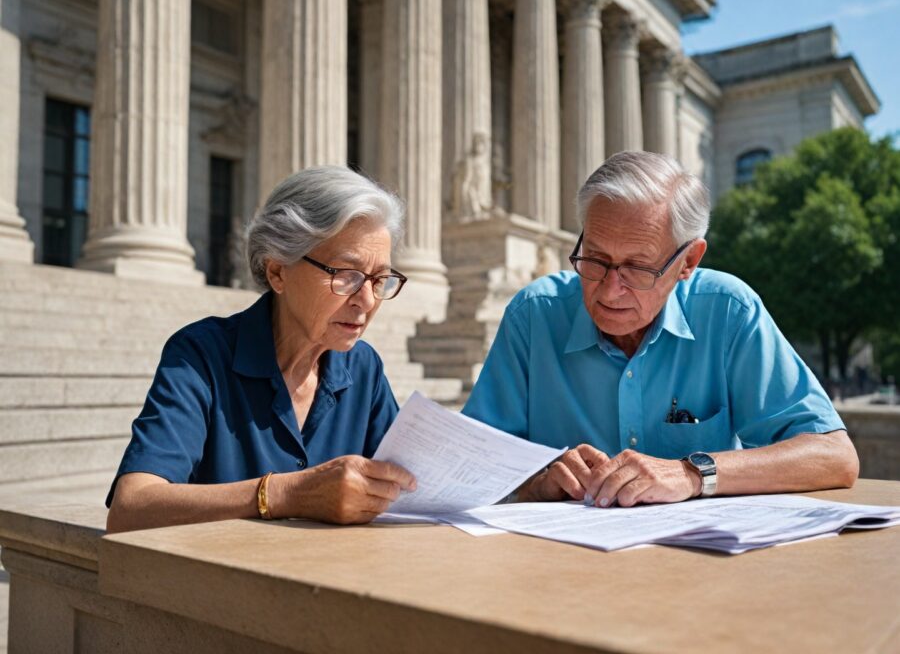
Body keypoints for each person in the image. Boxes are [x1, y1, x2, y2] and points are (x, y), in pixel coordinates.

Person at [463, 151, 859, 508]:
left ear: (688, 261)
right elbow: (466, 465)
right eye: (596, 259)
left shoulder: (727, 311)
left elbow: (834, 456)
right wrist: (537, 482)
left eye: (637, 268)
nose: (610, 289)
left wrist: (692, 474)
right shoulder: (534, 315)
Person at [106, 166, 417, 533]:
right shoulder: (201, 356)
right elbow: (131, 508)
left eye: (380, 280)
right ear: (277, 272)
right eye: (345, 275)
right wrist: (287, 493)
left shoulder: (363, 367)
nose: (366, 300)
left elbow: (407, 491)